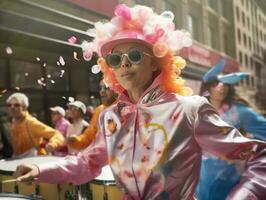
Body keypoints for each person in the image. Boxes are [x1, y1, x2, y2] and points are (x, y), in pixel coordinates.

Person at [14, 4, 266, 200]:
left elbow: (259, 157)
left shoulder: (189, 109)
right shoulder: (109, 116)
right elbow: (88, 162)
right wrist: (40, 171)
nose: (123, 63)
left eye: (134, 55)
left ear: (157, 60)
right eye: (115, 59)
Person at [196, 59, 266, 200]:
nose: (221, 87)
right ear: (207, 87)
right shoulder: (197, 110)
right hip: (202, 178)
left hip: (230, 178)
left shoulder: (239, 112)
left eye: (225, 84)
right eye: (216, 83)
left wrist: (250, 152)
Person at [6, 93, 64, 158]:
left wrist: (53, 144)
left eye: (16, 105)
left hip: (33, 160)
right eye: (9, 105)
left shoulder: (30, 122)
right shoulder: (12, 122)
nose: (12, 107)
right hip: (16, 159)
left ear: (24, 107)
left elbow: (56, 134)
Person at [67, 80, 117, 150]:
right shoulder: (99, 110)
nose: (102, 91)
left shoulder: (127, 109)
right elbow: (90, 135)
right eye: (100, 88)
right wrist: (77, 141)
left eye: (107, 87)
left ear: (117, 89)